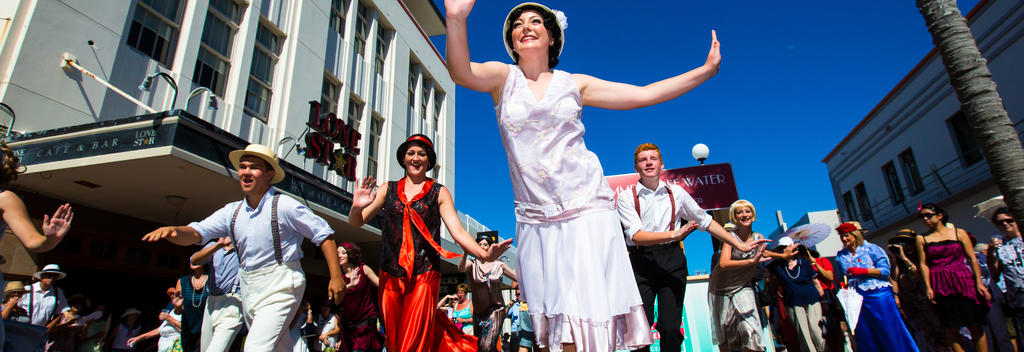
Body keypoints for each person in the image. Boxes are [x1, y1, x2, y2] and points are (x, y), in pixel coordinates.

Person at [443, 1, 765, 350]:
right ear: (512, 41)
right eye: (518, 24)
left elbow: (643, 94)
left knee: (587, 310)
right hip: (536, 218)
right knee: (558, 324)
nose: (526, 26)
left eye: (535, 21)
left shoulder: (575, 83)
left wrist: (704, 71)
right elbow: (461, 73)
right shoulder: (502, 79)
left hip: (585, 209)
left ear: (552, 37)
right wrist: (457, 18)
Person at [142, 143, 346, 351]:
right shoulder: (232, 212)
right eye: (243, 167)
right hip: (249, 286)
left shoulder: (284, 205)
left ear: (269, 174)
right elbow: (197, 233)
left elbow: (323, 234)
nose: (246, 172)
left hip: (283, 283)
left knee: (255, 347)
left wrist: (336, 276)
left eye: (253, 167)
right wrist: (174, 231)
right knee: (280, 346)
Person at [349, 134, 509, 352]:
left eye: (422, 154)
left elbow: (458, 232)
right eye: (411, 153)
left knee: (413, 341)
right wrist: (357, 206)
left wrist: (485, 256)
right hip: (390, 274)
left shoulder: (439, 192)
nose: (416, 158)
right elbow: (356, 222)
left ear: (429, 160)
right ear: (403, 159)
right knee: (395, 341)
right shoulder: (388, 188)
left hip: (424, 274)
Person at [616, 143, 729, 352]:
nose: (648, 162)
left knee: (670, 327)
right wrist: (675, 234)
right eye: (643, 160)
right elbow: (637, 236)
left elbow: (705, 221)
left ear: (661, 165)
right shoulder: (625, 197)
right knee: (640, 328)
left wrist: (738, 243)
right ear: (636, 168)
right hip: (641, 263)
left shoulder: (677, 193)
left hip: (672, 260)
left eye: (653, 159)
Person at [915, 203, 990, 352]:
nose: (925, 219)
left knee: (974, 323)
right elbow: (923, 265)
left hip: (963, 279)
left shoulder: (959, 233)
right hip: (940, 282)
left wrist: (979, 283)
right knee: (950, 326)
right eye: (922, 216)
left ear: (939, 215)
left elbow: (972, 259)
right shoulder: (921, 239)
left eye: (928, 215)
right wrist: (928, 287)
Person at [835, 221, 919, 351]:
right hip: (856, 298)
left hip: (878, 294)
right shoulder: (841, 255)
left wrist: (865, 271)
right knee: (865, 331)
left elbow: (885, 271)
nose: (844, 239)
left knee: (888, 328)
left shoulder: (872, 249)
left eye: (847, 236)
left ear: (855, 234)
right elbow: (841, 276)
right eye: (842, 236)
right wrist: (843, 284)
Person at [708, 200, 768, 352]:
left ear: (753, 214)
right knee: (726, 332)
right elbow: (723, 264)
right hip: (721, 290)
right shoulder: (730, 238)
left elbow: (764, 253)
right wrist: (751, 261)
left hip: (743, 286)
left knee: (750, 327)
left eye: (747, 211)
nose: (744, 215)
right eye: (739, 212)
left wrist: (782, 255)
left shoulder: (757, 237)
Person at [887, 229, 947, 352]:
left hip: (925, 302)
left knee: (938, 334)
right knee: (921, 336)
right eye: (901, 243)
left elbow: (918, 275)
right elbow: (894, 277)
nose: (905, 247)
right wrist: (896, 258)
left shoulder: (920, 257)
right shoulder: (898, 263)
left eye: (907, 243)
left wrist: (905, 258)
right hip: (911, 305)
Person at [458, 231, 518, 351]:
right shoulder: (472, 264)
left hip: (496, 310)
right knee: (481, 346)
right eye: (479, 244)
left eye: (485, 244)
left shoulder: (499, 265)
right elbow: (461, 268)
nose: (482, 247)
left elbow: (518, 278)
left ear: (490, 247)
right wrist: (465, 252)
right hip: (479, 313)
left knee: (487, 346)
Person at [765, 240, 825, 352]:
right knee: (803, 334)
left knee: (816, 329)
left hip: (812, 299)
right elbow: (763, 254)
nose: (785, 249)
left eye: (787, 247)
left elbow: (815, 281)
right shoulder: (776, 266)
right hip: (793, 302)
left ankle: (823, 349)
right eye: (781, 248)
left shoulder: (804, 262)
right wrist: (780, 256)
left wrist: (823, 297)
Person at [189, 236, 243, 352]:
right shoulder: (214, 246)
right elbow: (194, 260)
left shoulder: (244, 247)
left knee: (217, 348)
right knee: (205, 347)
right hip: (211, 301)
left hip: (233, 300)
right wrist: (218, 246)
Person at [335, 242, 383, 352]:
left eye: (343, 253)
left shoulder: (363, 269)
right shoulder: (339, 279)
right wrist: (350, 285)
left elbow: (382, 286)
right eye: (337, 253)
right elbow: (337, 300)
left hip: (366, 320)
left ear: (350, 254)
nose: (339, 255)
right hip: (348, 325)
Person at [988, 206, 1024, 350]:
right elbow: (995, 274)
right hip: (1018, 299)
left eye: (1008, 220)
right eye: (1000, 223)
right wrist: (991, 253)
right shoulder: (999, 246)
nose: (1005, 224)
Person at [176, 263, 208, 352]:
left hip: (205, 328)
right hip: (187, 329)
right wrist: (177, 306)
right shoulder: (182, 281)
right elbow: (178, 311)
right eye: (192, 259)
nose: (194, 261)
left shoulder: (212, 280)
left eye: (198, 259)